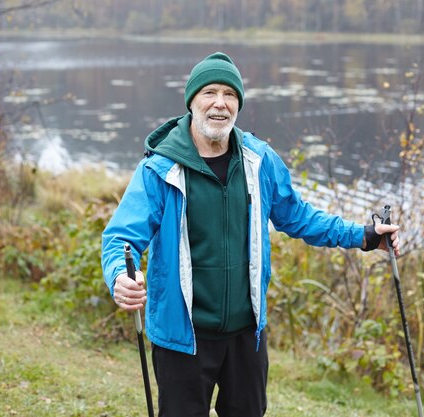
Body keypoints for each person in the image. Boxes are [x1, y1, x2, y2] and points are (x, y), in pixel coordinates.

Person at [101, 52, 400, 417]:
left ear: (238, 104)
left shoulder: (260, 160)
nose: (220, 104)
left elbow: (298, 217)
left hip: (246, 336)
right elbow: (121, 238)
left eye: (230, 95)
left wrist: (364, 235)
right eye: (209, 92)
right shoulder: (160, 169)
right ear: (191, 101)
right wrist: (120, 275)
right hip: (183, 338)